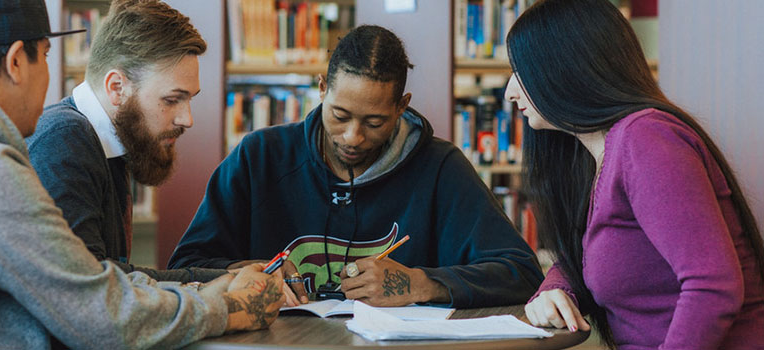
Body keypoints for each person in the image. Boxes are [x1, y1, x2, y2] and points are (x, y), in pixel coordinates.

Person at [0, 0, 283, 348]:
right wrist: (226, 307)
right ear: (17, 62)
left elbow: (91, 281)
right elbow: (96, 313)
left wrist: (210, 285)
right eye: (46, 56)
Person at [169, 25, 543, 308]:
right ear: (321, 88)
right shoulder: (259, 157)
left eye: (375, 122)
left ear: (402, 106)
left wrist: (419, 283)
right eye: (339, 115)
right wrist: (247, 271)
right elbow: (185, 266)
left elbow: (521, 273)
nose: (352, 137)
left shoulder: (440, 168)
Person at [504, 0, 764, 348]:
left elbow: (713, 286)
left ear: (565, 66)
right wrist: (556, 288)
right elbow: (592, 253)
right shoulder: (594, 155)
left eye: (520, 71)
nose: (509, 92)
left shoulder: (645, 139)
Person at [26, 0, 225, 283]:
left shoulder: (113, 142)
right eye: (171, 100)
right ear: (117, 88)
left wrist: (226, 277)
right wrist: (219, 283)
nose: (187, 119)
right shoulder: (63, 142)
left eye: (189, 99)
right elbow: (91, 284)